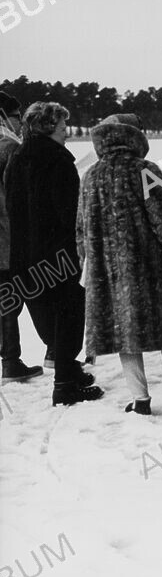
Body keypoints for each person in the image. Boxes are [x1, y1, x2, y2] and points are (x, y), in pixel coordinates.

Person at [77, 114, 162, 416]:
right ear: (133, 136)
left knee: (124, 336)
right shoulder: (146, 169)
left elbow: (81, 226)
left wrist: (88, 260)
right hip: (151, 267)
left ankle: (140, 399)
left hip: (109, 271)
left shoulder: (90, 175)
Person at [4, 101, 104, 405]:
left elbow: (13, 207)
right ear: (48, 127)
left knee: (48, 315)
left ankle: (68, 370)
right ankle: (64, 386)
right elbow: (69, 212)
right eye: (62, 126)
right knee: (69, 314)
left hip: (24, 254)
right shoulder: (58, 160)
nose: (66, 132)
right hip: (58, 254)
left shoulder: (17, 158)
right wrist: (80, 245)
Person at [0, 91, 45, 385]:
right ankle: (12, 361)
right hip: (9, 238)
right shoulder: (9, 147)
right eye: (16, 116)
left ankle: (11, 360)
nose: (19, 122)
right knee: (12, 300)